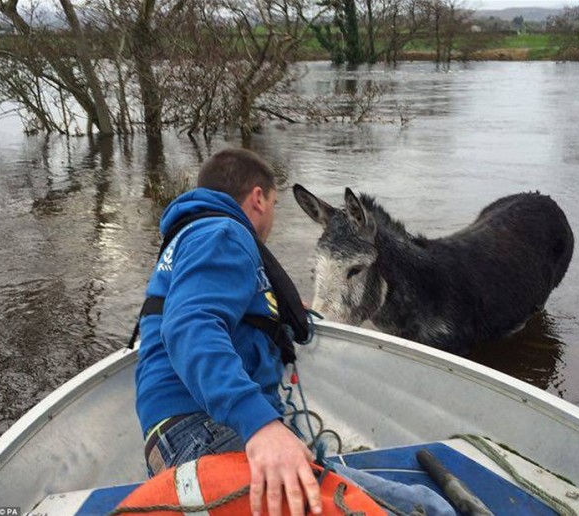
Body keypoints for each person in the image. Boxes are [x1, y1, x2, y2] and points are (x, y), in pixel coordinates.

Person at [134, 147, 455, 516]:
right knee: (429, 508)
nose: (272, 215)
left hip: (174, 436)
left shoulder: (191, 236)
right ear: (258, 198)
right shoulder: (223, 233)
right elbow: (190, 325)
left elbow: (209, 312)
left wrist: (279, 314)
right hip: (205, 430)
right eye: (274, 203)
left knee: (416, 502)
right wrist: (261, 427)